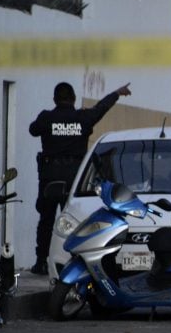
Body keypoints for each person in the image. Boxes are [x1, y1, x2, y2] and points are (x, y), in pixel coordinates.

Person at [29, 81, 132, 275]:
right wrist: (116, 93)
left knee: (46, 220)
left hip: (50, 178)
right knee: (76, 220)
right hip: (75, 180)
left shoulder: (46, 118)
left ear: (55, 99)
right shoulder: (83, 117)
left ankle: (41, 261)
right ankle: (77, 262)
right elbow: (101, 108)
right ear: (74, 99)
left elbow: (33, 129)